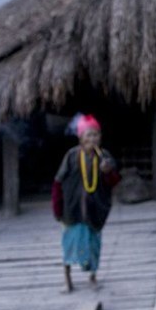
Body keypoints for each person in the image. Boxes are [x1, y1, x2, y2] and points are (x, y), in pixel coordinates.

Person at [52, 114, 120, 292]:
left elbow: (114, 181)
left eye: (96, 135)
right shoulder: (71, 156)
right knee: (69, 243)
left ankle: (92, 277)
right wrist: (57, 207)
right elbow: (58, 182)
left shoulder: (104, 157)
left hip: (94, 209)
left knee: (93, 244)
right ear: (80, 137)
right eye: (88, 135)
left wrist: (107, 172)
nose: (92, 139)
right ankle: (67, 280)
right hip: (72, 210)